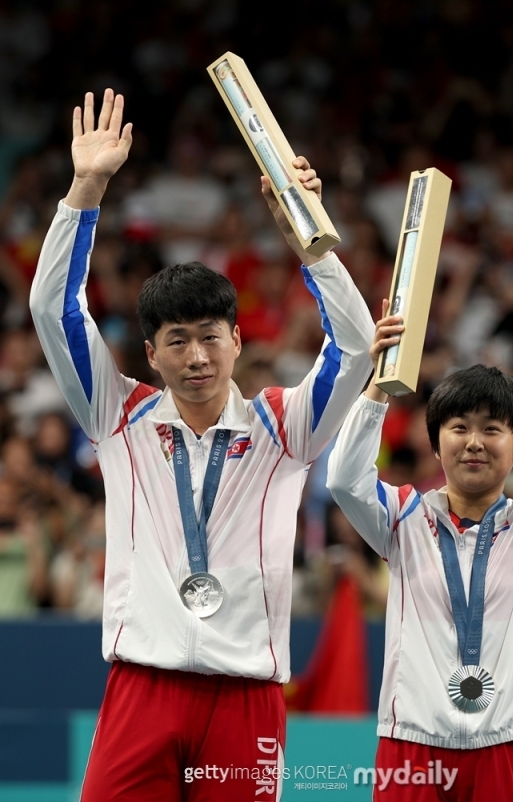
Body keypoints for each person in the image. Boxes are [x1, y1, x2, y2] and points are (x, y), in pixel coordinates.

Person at [29, 88, 374, 801]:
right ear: (150, 353)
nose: (196, 357)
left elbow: (357, 345)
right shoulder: (116, 415)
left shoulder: (285, 428)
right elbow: (52, 308)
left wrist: (305, 236)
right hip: (141, 689)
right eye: (176, 341)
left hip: (244, 699)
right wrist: (85, 190)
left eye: (211, 337)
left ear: (238, 341)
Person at [327, 272, 513, 801]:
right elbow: (343, 479)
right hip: (411, 741)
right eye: (458, 427)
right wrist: (378, 385)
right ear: (435, 444)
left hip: (512, 740)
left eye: (493, 429)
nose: (474, 442)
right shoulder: (401, 518)